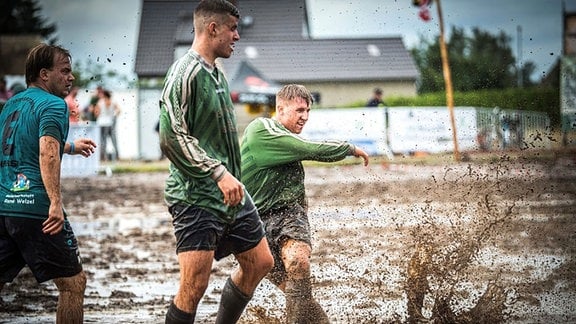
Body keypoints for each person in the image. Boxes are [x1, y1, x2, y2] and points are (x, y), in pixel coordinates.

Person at [157, 1, 274, 323]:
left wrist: (233, 174)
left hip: (232, 193)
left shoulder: (218, 74)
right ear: (213, 28)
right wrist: (217, 172)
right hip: (195, 196)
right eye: (233, 28)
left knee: (261, 262)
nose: (237, 36)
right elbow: (171, 137)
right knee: (194, 285)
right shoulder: (185, 71)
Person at [240, 84, 370, 323]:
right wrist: (348, 148)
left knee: (298, 262)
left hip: (288, 213)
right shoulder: (262, 129)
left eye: (308, 111)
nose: (305, 117)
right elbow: (309, 149)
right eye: (300, 110)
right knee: (300, 296)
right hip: (251, 222)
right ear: (280, 108)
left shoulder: (286, 137)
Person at [0, 43, 97, 323]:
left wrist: (71, 147)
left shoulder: (11, 105)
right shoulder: (54, 105)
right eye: (65, 71)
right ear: (44, 74)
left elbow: (29, 142)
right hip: (37, 211)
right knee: (73, 284)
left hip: (5, 208)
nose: (71, 77)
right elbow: (46, 151)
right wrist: (55, 202)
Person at [94, 89, 121, 161]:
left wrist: (98, 116)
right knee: (114, 140)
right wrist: (114, 116)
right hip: (110, 123)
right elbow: (119, 110)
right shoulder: (113, 102)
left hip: (101, 123)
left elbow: (96, 112)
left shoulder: (100, 102)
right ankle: (117, 156)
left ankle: (103, 157)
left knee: (103, 141)